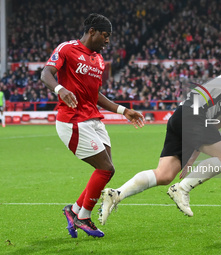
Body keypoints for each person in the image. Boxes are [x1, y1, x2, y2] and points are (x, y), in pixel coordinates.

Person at [98, 35, 221, 224]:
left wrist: (190, 160)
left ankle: (117, 194)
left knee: (164, 174)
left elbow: (212, 127)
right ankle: (182, 189)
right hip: (192, 114)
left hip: (183, 118)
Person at [41, 13, 144, 238]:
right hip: (73, 120)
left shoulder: (98, 59)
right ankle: (83, 217)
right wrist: (60, 89)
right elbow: (46, 73)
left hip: (93, 119)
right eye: (105, 36)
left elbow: (96, 94)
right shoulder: (67, 48)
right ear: (92, 32)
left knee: (106, 170)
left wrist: (123, 110)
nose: (107, 41)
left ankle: (74, 210)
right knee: (106, 169)